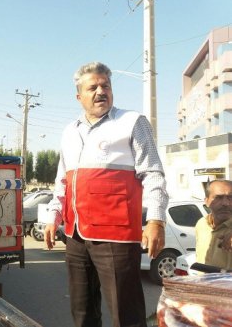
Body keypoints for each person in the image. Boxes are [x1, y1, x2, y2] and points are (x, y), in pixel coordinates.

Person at [43, 61, 169, 327]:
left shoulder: (132, 122)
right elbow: (62, 181)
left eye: (106, 85)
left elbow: (154, 173)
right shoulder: (69, 131)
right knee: (83, 313)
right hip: (76, 236)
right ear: (79, 96)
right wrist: (54, 216)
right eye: (93, 87)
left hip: (117, 237)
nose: (101, 91)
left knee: (127, 316)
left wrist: (156, 221)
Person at [195, 179, 232, 270]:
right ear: (207, 201)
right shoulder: (201, 224)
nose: (225, 203)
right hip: (202, 282)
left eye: (230, 197)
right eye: (218, 198)